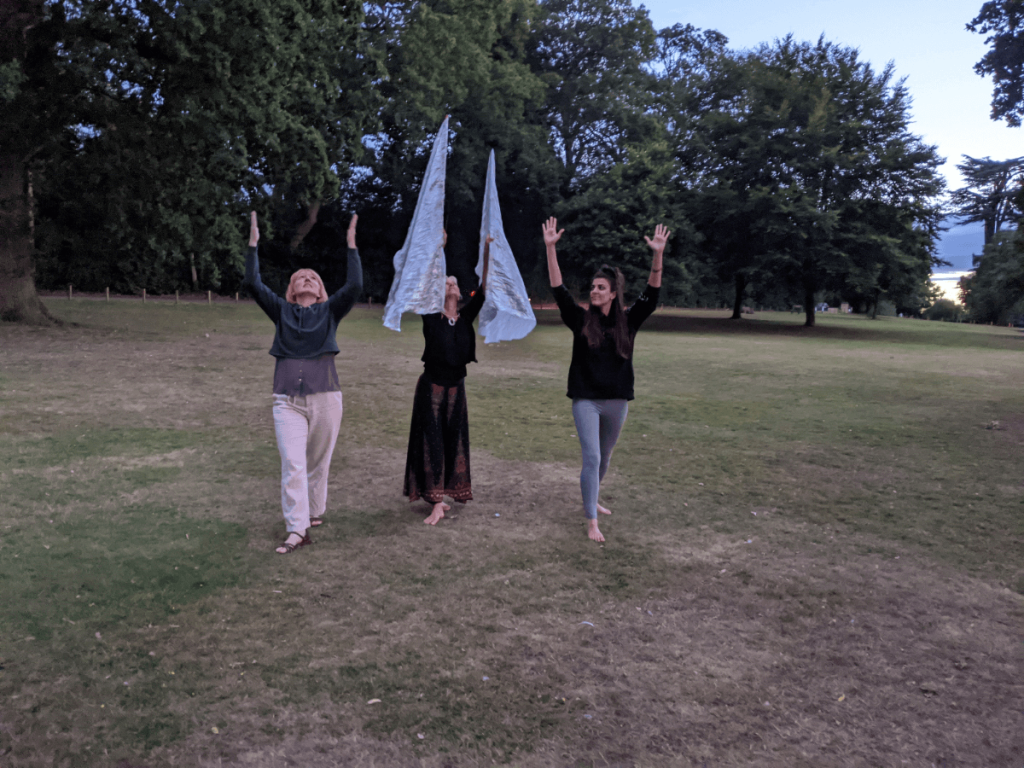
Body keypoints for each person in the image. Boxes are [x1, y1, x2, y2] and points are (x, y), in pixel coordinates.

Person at [542, 217, 670, 542]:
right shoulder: (581, 320)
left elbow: (652, 296)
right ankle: (591, 522)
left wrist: (658, 255)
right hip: (586, 398)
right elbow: (558, 291)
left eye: (601, 287)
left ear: (613, 294)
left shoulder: (628, 321)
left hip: (617, 400)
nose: (594, 290)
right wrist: (550, 248)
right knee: (593, 456)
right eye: (593, 287)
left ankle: (592, 496)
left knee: (606, 456)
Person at [242, 211, 363, 554]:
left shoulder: (330, 312)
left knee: (318, 464)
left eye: (313, 276)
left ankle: (314, 511)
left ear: (320, 289)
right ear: (292, 289)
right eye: (301, 276)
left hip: (326, 398)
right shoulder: (281, 310)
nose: (307, 278)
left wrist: (351, 246)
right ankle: (297, 529)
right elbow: (253, 283)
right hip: (287, 401)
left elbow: (354, 286)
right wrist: (253, 244)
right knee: (293, 464)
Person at [403, 234, 492, 524]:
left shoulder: (465, 318)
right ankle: (436, 501)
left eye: (454, 283)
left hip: (457, 388)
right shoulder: (431, 316)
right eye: (447, 283)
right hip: (432, 388)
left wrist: (487, 252)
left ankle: (447, 492)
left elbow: (485, 287)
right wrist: (436, 248)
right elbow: (425, 281)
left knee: (454, 441)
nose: (452, 285)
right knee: (432, 443)